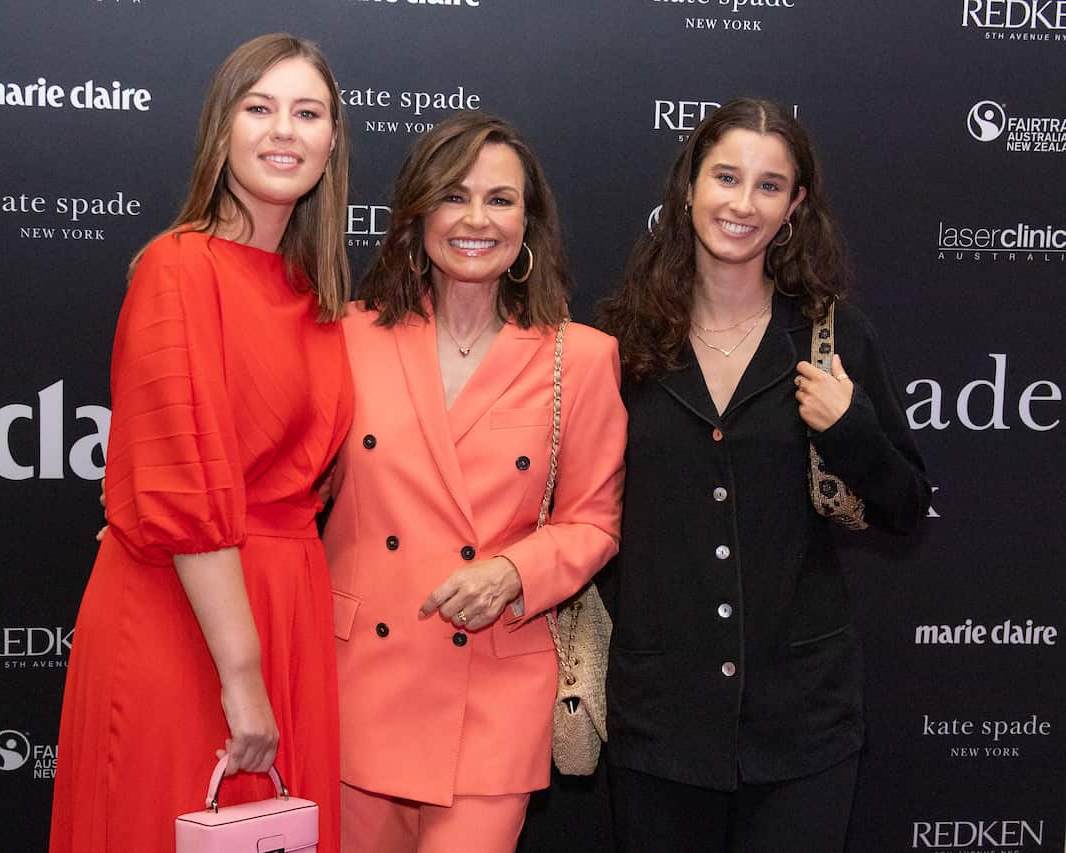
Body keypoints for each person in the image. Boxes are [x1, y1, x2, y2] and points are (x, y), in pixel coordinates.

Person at [597, 97, 931, 852]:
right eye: (726, 177)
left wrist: (849, 430)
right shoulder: (622, 340)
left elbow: (909, 503)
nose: (742, 204)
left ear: (795, 206)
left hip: (802, 727)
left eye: (769, 185)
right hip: (660, 722)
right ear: (689, 185)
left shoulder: (834, 337)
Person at [49, 33, 352, 853]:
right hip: (189, 620)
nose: (283, 130)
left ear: (332, 142)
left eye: (307, 113)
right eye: (259, 107)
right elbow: (183, 486)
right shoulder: (177, 269)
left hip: (285, 606)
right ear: (222, 128)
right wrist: (242, 676)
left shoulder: (314, 294)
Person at [324, 112, 627, 853]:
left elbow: (594, 521)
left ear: (529, 224)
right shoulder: (347, 337)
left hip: (493, 688)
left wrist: (513, 572)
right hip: (359, 680)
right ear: (417, 215)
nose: (476, 220)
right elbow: (289, 480)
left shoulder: (579, 357)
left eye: (500, 200)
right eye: (454, 197)